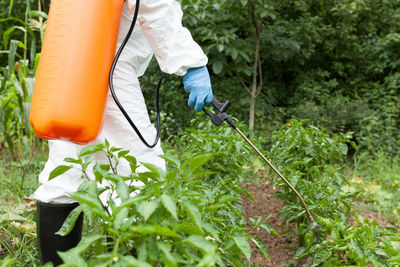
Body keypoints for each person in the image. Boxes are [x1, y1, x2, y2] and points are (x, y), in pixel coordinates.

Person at [33, 0, 213, 264]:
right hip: (106, 67)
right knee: (140, 172)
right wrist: (191, 64)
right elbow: (155, 7)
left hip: (67, 67)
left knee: (66, 170)